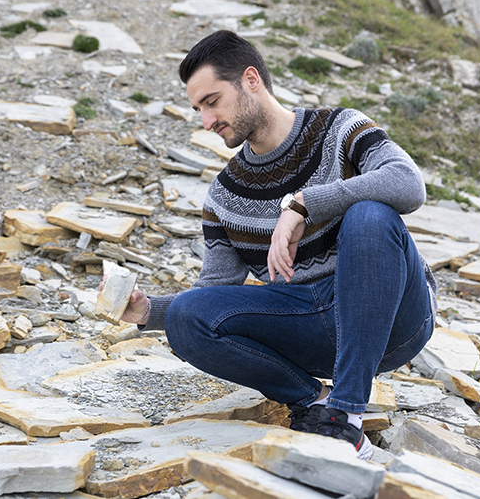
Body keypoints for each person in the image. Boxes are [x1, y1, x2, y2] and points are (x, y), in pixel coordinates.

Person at [111, 30, 437, 459]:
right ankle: (315, 402)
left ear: (251, 80)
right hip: (307, 323)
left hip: (394, 317)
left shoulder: (340, 129)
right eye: (198, 110)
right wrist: (150, 311)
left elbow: (409, 184)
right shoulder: (224, 195)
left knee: (370, 215)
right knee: (187, 315)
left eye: (212, 102)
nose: (206, 121)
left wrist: (304, 204)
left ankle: (346, 416)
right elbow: (214, 295)